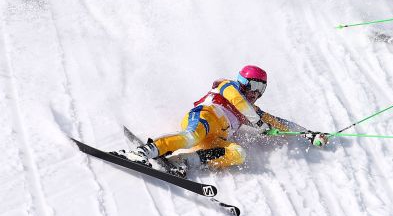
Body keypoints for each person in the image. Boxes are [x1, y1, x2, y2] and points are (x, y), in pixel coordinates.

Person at [113, 65, 329, 176]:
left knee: (238, 154)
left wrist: (308, 134)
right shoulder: (228, 86)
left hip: (216, 137)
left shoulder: (251, 111)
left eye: (259, 89)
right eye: (252, 86)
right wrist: (258, 123)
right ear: (243, 82)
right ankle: (144, 152)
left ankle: (184, 162)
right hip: (204, 118)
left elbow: (278, 122)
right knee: (191, 137)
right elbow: (239, 102)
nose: (254, 92)